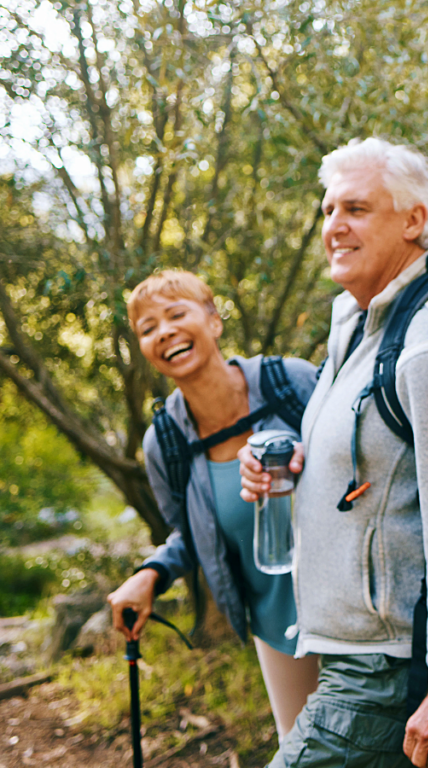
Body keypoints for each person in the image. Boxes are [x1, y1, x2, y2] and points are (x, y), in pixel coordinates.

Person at [239, 137, 428, 768]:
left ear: (414, 220)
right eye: (327, 211)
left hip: (385, 672)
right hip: (350, 654)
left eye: (356, 209)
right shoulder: (360, 323)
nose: (334, 227)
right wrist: (297, 460)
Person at [106, 269, 321, 740]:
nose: (164, 332)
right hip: (276, 626)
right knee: (303, 750)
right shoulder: (165, 441)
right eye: (148, 328)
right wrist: (151, 574)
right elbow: (191, 533)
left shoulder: (291, 382)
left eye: (176, 315)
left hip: (353, 607)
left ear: (214, 321)